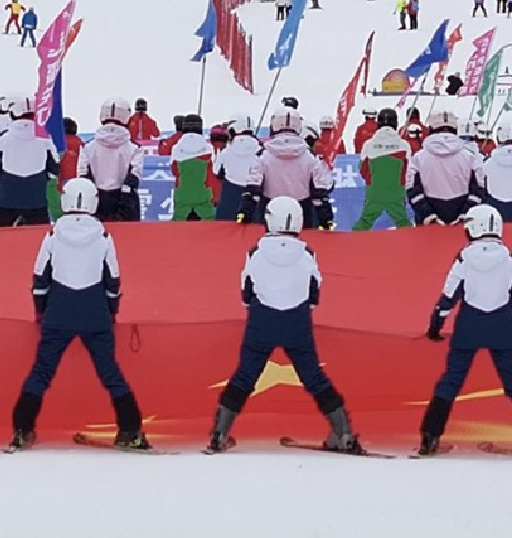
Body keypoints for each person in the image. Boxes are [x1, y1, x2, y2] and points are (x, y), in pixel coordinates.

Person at [206, 197, 361, 454]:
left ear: (268, 218)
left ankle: (219, 434)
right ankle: (343, 433)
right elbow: (314, 293)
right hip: (297, 322)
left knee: (245, 376)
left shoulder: (256, 252)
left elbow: (246, 292)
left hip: (261, 321)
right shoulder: (306, 253)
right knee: (314, 378)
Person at [13, 179, 146, 449]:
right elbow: (113, 281)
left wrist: (40, 311)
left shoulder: (52, 235)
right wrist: (111, 311)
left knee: (41, 372)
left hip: (58, 313)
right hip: (95, 314)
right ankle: (130, 429)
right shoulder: (104, 236)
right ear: (93, 202)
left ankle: (22, 429)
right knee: (110, 374)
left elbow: (40, 279)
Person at [420, 204, 512, 457]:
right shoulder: (510, 258)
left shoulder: (464, 257)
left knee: (451, 381)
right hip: (502, 326)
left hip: (468, 325)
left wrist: (434, 327)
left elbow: (448, 298)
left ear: (474, 227)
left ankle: (430, 436)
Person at [0, 101, 55, 226]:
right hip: (36, 197)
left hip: (7, 197)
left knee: (0, 234)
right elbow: (54, 168)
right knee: (39, 235)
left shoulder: (3, 139)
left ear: (13, 114)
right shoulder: (45, 138)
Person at [407, 108, 479, 225]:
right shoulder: (469, 157)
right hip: (461, 218)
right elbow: (478, 189)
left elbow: (412, 189)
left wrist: (428, 215)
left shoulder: (418, 158)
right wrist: (465, 213)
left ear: (430, 129)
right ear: (455, 130)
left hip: (427, 221)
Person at [75, 101, 145, 221]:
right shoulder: (134, 148)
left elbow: (83, 176)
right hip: (126, 201)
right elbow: (133, 178)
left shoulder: (88, 147)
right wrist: (124, 210)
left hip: (95, 201)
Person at [352, 110, 412, 230]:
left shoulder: (368, 145)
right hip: (396, 192)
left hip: (375, 191)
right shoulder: (404, 145)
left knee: (365, 220)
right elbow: (408, 171)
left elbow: (363, 171)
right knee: (402, 221)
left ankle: (353, 245)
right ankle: (411, 245)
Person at [168, 116, 216, 221]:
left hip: (182, 196)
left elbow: (174, 171)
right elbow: (213, 171)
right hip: (203, 195)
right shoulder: (208, 148)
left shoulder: (176, 149)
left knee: (179, 227)